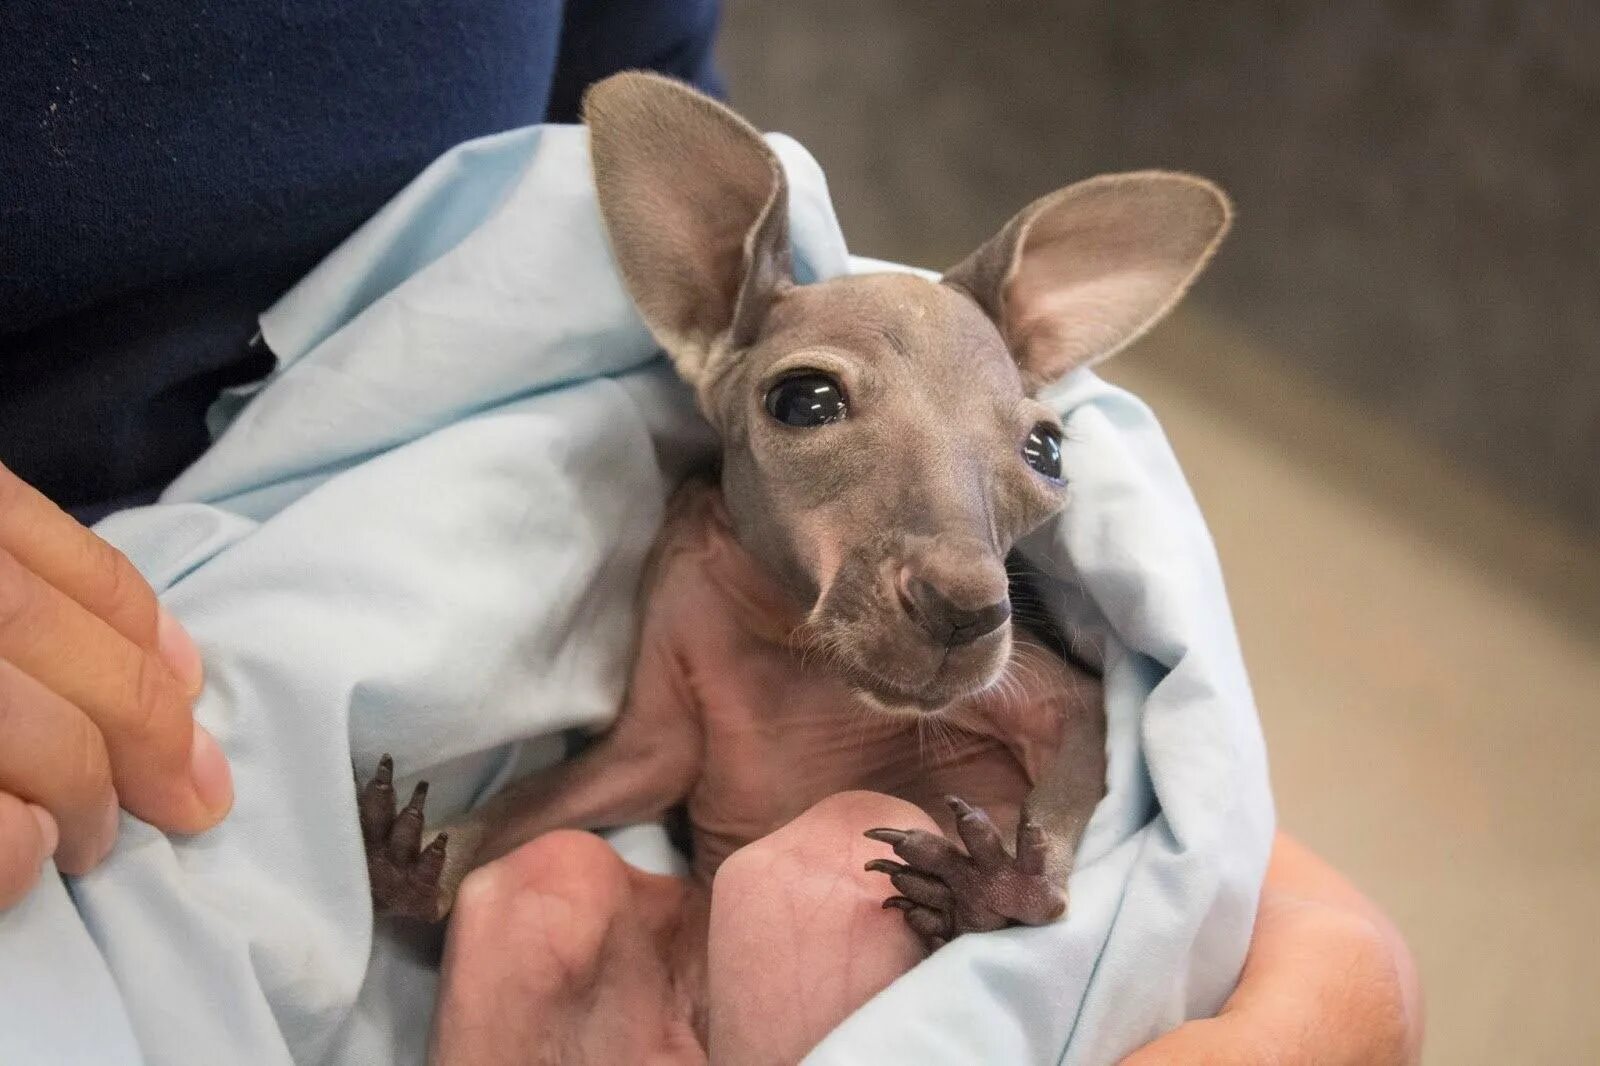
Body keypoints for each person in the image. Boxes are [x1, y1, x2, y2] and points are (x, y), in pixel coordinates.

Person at [0, 2, 1420, 1060]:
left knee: (809, 887)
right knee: (540, 894)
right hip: (148, 670)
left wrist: (1209, 882)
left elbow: (646, 95)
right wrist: (462, 853)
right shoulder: (697, 557)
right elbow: (640, 756)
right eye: (811, 402)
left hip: (845, 911)